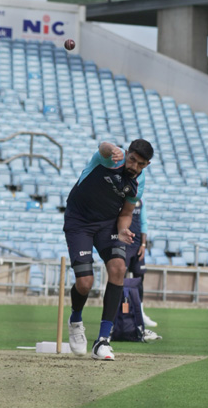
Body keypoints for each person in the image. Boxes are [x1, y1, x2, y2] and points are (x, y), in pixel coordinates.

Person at [64, 139, 153, 360]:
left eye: (140, 164)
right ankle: (76, 321)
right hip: (79, 221)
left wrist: (123, 230)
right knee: (85, 283)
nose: (133, 166)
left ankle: (102, 341)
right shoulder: (111, 157)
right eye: (132, 159)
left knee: (118, 268)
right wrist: (112, 149)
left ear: (146, 165)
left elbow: (126, 213)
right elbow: (103, 147)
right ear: (127, 153)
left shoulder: (138, 182)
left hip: (108, 225)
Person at [126, 199, 158, 328]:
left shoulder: (140, 202)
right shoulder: (122, 198)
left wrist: (143, 244)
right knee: (119, 280)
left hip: (138, 245)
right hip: (123, 244)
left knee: (139, 278)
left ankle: (140, 313)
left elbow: (144, 223)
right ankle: (119, 313)